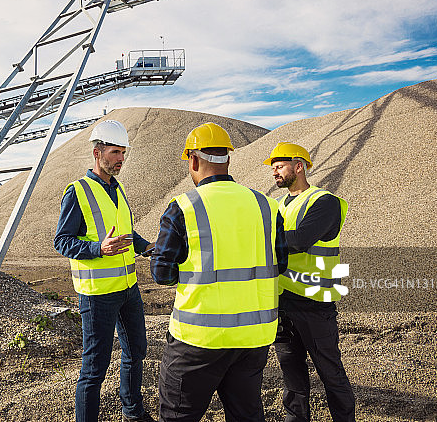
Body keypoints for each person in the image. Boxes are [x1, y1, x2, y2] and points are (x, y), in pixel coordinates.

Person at [150, 122, 288, 422]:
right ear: (228, 158)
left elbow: (161, 273)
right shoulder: (266, 205)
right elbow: (282, 263)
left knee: (178, 416)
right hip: (254, 337)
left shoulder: (183, 207)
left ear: (194, 160)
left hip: (198, 339)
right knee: (246, 415)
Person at [54, 119, 156, 422]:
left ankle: (132, 412)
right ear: (97, 152)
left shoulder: (118, 187)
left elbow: (127, 233)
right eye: (115, 152)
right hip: (97, 295)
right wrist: (99, 249)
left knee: (137, 351)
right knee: (94, 368)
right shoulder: (78, 192)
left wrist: (148, 248)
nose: (121, 158)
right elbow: (62, 241)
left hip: (128, 289)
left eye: (123, 152)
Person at [264, 142, 355, 422]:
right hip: (283, 301)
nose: (274, 173)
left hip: (315, 302)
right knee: (291, 374)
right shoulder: (278, 205)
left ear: (299, 166)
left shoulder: (324, 202)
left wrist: (257, 242)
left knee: (330, 372)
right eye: (273, 168)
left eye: (279, 167)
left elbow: (300, 241)